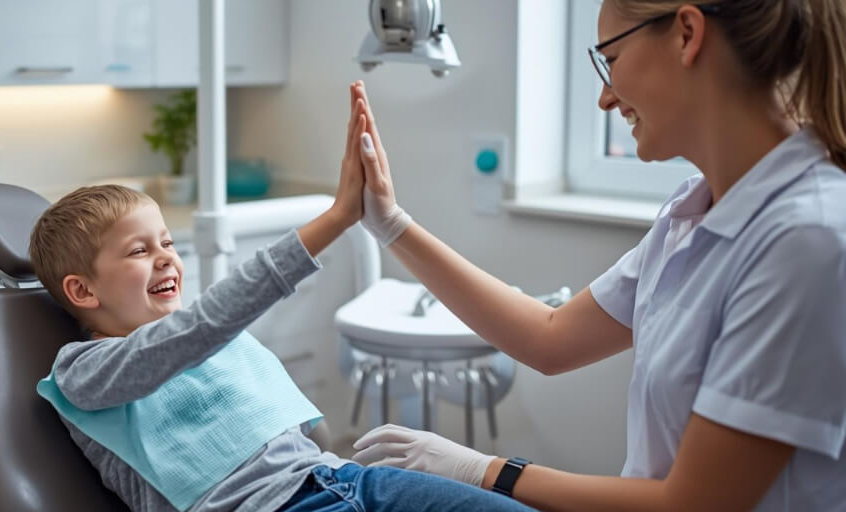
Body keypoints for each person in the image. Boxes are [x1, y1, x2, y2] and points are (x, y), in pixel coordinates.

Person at [348, 0, 846, 510]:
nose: (606, 98)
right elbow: (550, 338)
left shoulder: (808, 239)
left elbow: (693, 504)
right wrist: (391, 224)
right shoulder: (693, 210)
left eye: (611, 60)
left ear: (686, 34)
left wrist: (485, 469)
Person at [28, 85, 535, 512]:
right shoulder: (84, 372)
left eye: (167, 243)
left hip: (344, 481)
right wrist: (336, 219)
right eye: (139, 250)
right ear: (83, 289)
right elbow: (197, 331)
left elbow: (287, 413)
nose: (165, 258)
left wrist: (329, 453)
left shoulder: (205, 343)